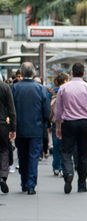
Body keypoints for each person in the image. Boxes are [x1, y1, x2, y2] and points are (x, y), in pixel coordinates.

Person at [55, 63, 87, 194]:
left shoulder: (63, 88)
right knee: (83, 154)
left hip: (68, 123)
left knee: (65, 151)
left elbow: (58, 110)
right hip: (85, 124)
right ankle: (82, 183)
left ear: (72, 72)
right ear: (83, 73)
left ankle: (68, 173)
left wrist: (58, 126)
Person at [13, 62, 50, 195]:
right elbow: (46, 110)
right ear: (33, 73)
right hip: (36, 127)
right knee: (33, 156)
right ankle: (31, 185)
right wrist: (45, 123)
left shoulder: (15, 88)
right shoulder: (41, 89)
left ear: (21, 73)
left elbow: (11, 109)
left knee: (22, 156)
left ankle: (23, 182)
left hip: (20, 128)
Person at [49, 73, 69, 176]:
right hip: (66, 121)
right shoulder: (67, 90)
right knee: (64, 146)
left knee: (56, 145)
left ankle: (56, 166)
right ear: (65, 81)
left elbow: (49, 109)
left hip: (55, 121)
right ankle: (62, 166)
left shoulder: (52, 92)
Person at [0, 79, 16, 194]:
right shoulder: (5, 87)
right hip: (2, 124)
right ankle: (3, 176)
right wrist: (13, 128)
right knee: (4, 150)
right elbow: (11, 109)